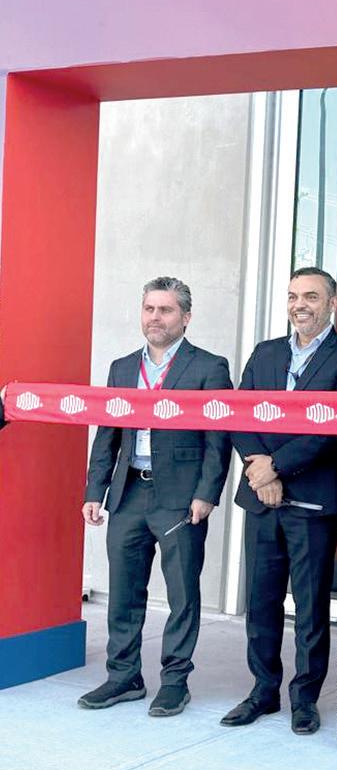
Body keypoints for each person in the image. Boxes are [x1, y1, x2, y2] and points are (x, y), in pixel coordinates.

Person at [222, 267, 337, 735]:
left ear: (332, 303)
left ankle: (304, 698)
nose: (299, 305)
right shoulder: (266, 352)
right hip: (261, 498)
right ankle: (263, 690)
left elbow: (333, 428)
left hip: (311, 501)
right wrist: (257, 467)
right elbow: (239, 414)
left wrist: (276, 467)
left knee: (310, 606)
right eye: (292, 296)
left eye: (310, 296)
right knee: (261, 601)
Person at [79, 277, 232, 715]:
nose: (155, 318)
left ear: (186, 317)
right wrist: (95, 490)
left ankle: (175, 681)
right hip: (128, 493)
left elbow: (218, 438)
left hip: (181, 498)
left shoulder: (210, 367)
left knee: (182, 593)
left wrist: (207, 493)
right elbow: (107, 433)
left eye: (165, 310)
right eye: (149, 309)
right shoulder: (123, 367)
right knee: (124, 591)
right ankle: (123, 676)